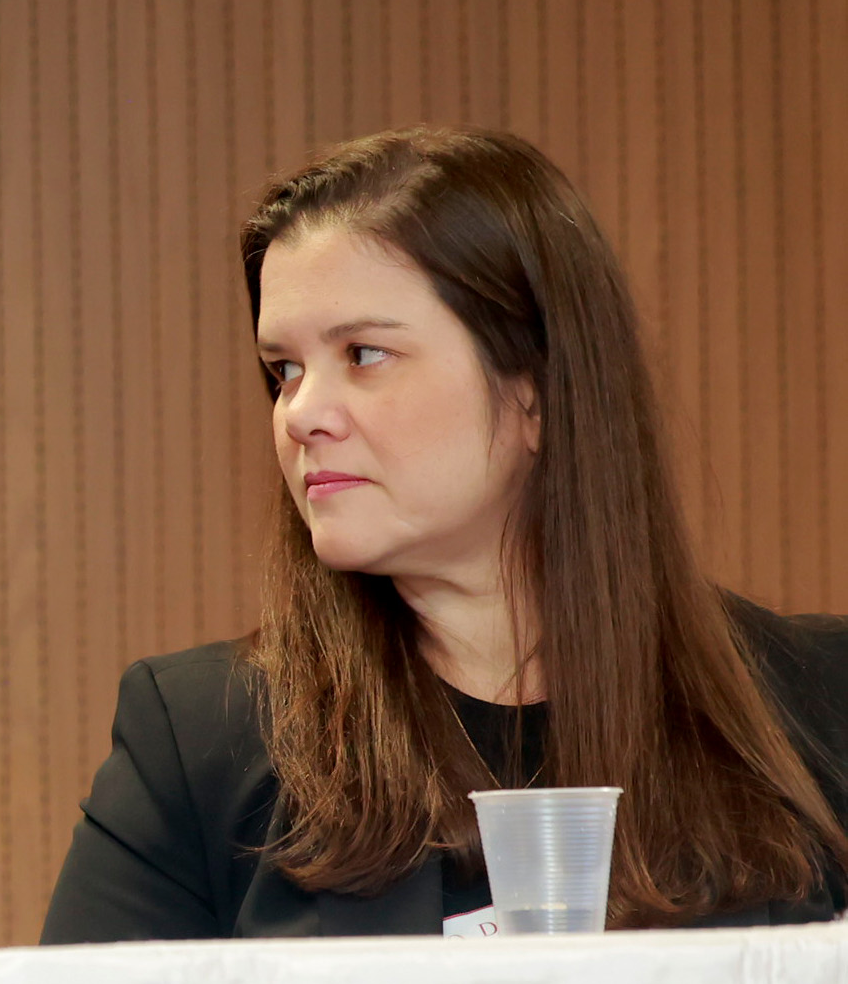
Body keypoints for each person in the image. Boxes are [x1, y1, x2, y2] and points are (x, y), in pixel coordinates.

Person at [43, 125, 848, 942]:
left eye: (363, 354)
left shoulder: (821, 702)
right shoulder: (199, 739)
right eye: (282, 370)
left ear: (534, 392)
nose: (301, 414)